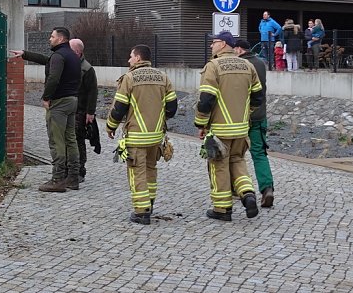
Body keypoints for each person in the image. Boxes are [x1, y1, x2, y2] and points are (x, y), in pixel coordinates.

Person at [195, 31, 263, 221]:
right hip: (242, 129)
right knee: (238, 161)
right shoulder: (247, 65)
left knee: (219, 166)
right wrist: (245, 114)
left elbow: (206, 100)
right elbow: (258, 97)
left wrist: (201, 123)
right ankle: (248, 194)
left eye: (214, 42)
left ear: (223, 44)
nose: (211, 46)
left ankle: (222, 209)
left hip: (220, 129)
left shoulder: (213, 66)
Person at [106, 45, 178, 225]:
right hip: (156, 136)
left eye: (131, 56)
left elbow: (119, 108)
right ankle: (150, 204)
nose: (129, 60)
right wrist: (158, 118)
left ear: (138, 58)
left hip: (137, 136)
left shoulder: (129, 78)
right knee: (151, 169)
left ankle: (141, 212)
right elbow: (172, 108)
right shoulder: (163, 77)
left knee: (137, 172)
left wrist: (110, 126)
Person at [10, 27, 81, 192]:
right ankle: (73, 177)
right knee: (71, 140)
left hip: (59, 103)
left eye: (52, 36)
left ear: (61, 39)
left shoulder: (59, 56)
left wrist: (46, 97)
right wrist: (25, 54)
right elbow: (47, 60)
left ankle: (57, 179)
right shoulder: (72, 55)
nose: (50, 39)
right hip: (72, 100)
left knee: (56, 141)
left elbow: (54, 77)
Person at [233, 39, 275, 208]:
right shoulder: (260, 63)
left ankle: (236, 188)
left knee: (235, 155)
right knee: (259, 153)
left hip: (241, 116)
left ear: (238, 49)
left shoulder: (239, 65)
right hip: (259, 115)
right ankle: (267, 189)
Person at [69, 38, 99, 183]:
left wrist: (90, 112)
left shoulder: (87, 69)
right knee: (68, 140)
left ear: (77, 51)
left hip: (80, 111)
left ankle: (80, 169)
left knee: (78, 140)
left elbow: (93, 92)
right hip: (69, 109)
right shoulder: (68, 64)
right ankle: (69, 169)